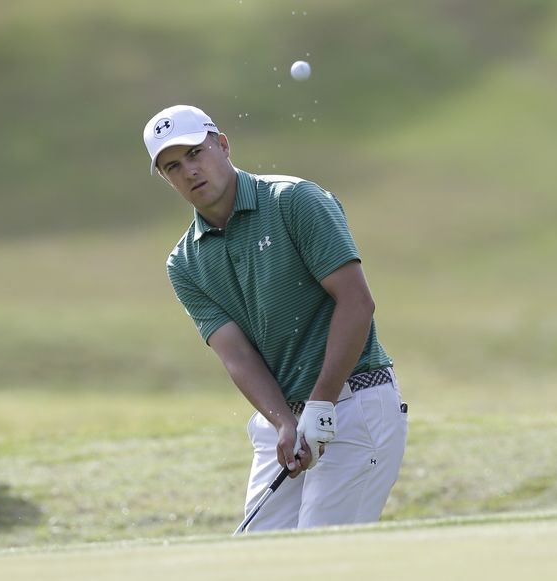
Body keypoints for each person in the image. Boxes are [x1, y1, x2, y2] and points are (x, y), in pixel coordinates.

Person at [143, 104, 407, 532]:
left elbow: (357, 303)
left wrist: (321, 402)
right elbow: (238, 357)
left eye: (195, 153)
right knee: (260, 559)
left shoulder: (293, 200)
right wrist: (284, 421)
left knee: (318, 563)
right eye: (173, 166)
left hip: (355, 405)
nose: (189, 170)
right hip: (285, 426)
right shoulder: (185, 262)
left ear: (223, 145)